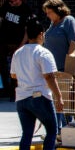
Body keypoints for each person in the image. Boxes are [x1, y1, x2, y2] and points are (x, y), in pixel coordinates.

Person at [11, 20, 64, 150]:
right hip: (40, 97)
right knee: (52, 131)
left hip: (22, 98)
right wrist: (59, 97)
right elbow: (49, 77)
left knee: (27, 134)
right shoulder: (43, 53)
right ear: (41, 34)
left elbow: (13, 75)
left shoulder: (18, 53)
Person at [41, 0, 75, 128]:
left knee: (63, 102)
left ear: (58, 10)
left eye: (49, 12)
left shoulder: (68, 21)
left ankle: (66, 129)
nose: (48, 15)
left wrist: (69, 65)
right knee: (55, 100)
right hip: (51, 68)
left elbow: (74, 43)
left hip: (63, 68)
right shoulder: (53, 23)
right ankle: (58, 130)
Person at [0, 0, 36, 100]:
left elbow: (27, 31)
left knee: (16, 69)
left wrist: (20, 46)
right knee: (3, 67)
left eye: (12, 1)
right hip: (4, 42)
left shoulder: (25, 10)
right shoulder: (6, 5)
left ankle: (13, 93)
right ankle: (4, 89)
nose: (10, 3)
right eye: (9, 1)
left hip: (17, 43)